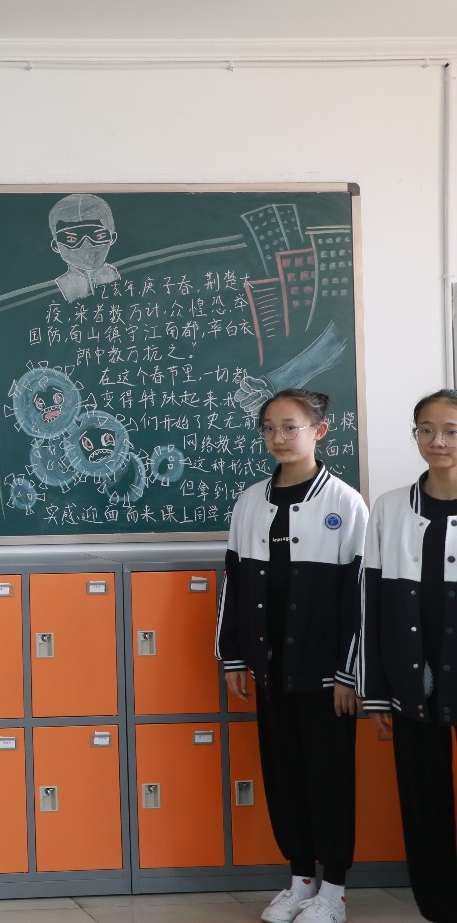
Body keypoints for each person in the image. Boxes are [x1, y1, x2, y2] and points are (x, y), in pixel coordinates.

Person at [216, 387, 367, 923]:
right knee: (283, 774)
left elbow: (360, 597)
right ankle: (301, 879)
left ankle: (334, 891)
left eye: (290, 427)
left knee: (328, 777)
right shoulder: (251, 501)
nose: (278, 438)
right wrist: (234, 657)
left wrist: (349, 672)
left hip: (326, 674)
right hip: (270, 667)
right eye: (269, 428)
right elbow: (234, 585)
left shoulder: (344, 503)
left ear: (319, 431)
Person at [361, 389, 457, 923]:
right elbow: (373, 603)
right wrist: (377, 691)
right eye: (426, 429)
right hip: (413, 677)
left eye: (451, 431)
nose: (437, 440)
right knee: (423, 796)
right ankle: (439, 905)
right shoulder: (391, 507)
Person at [47, 192, 121, 301]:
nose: (87, 245)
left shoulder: (123, 276)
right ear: (55, 246)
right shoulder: (50, 292)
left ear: (112, 238)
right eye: (71, 239)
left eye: (98, 236)